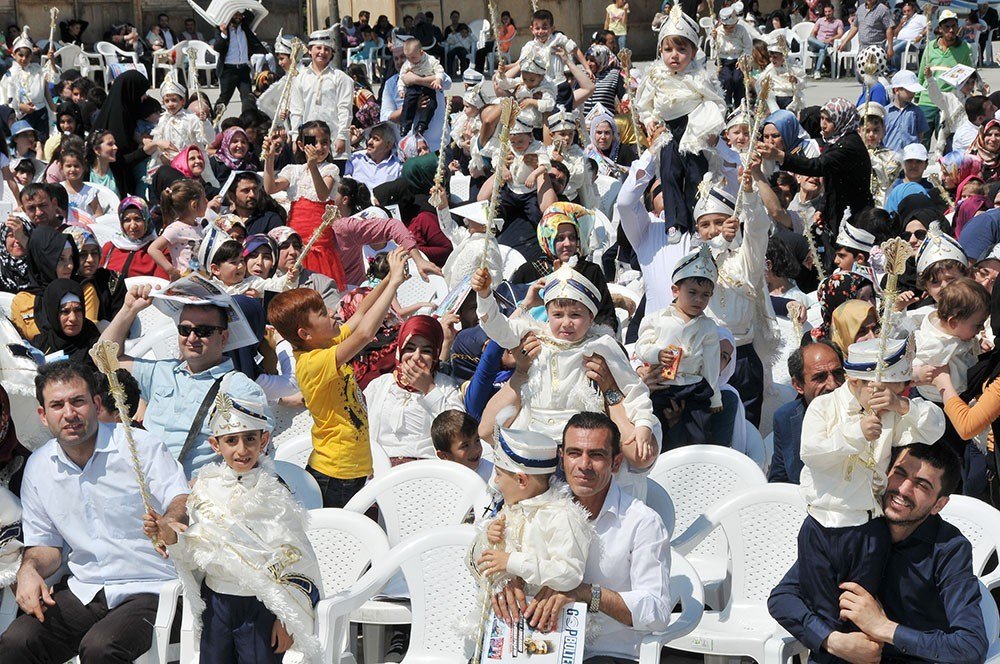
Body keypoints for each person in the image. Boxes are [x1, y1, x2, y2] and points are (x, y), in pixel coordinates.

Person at [0, 361, 189, 663]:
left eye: (78, 401)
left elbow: (180, 499)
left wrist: (169, 520)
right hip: (87, 589)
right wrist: (29, 570)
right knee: (15, 643)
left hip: (153, 587)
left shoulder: (139, 446)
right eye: (57, 405)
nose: (69, 413)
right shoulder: (38, 467)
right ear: (43, 416)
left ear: (96, 403)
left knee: (101, 648)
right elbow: (46, 546)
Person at [774, 336, 946, 663]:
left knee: (863, 615)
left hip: (868, 529)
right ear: (857, 382)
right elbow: (811, 452)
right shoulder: (825, 407)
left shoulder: (892, 412)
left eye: (898, 388)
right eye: (890, 388)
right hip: (825, 529)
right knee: (825, 616)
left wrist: (903, 406)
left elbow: (935, 429)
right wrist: (855, 433)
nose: (894, 394)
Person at [769, 443, 988, 663]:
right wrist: (831, 640)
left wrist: (883, 627)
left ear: (938, 504)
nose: (903, 489)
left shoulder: (950, 548)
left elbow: (970, 646)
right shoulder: (848, 523)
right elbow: (782, 597)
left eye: (921, 485)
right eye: (899, 473)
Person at [150, 389, 323, 660]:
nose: (242, 450)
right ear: (215, 445)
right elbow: (196, 552)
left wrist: (287, 618)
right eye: (231, 440)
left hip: (260, 606)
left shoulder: (273, 491)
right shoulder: (204, 488)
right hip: (216, 604)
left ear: (263, 440)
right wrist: (169, 537)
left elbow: (295, 558)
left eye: (250, 439)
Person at [491, 412, 673, 663]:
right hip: (534, 647)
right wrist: (506, 579)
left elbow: (658, 610)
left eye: (596, 455)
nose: (584, 465)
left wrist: (586, 593)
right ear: (561, 457)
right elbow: (482, 548)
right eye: (575, 453)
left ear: (616, 462)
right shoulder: (535, 504)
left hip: (609, 653)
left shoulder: (642, 522)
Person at [266, 248, 409, 508]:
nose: (332, 312)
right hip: (334, 475)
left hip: (349, 470)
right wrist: (396, 281)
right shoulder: (312, 362)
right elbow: (365, 334)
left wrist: (387, 279)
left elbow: (362, 313)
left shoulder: (324, 344)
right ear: (305, 333)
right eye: (322, 312)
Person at [472, 262, 659, 456]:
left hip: (584, 442)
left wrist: (643, 423)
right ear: (547, 314)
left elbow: (633, 388)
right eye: (558, 315)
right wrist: (485, 296)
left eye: (576, 315)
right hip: (535, 440)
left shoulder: (601, 346)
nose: (566, 323)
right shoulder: (534, 336)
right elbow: (498, 329)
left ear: (591, 317)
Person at [98, 282, 272, 477]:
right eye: (185, 330)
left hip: (196, 496)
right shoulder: (161, 371)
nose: (192, 338)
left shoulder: (240, 389)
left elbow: (256, 458)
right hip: (144, 485)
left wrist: (208, 485)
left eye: (203, 331)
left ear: (223, 338)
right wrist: (129, 310)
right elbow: (104, 359)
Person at [474, 425, 592, 597]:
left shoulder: (561, 515)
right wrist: (488, 537)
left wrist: (511, 562)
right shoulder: (508, 509)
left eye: (499, 474)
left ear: (521, 480)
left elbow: (570, 573)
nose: (496, 482)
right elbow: (476, 562)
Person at [635, 245, 722, 446]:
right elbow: (641, 347)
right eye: (692, 292)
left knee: (699, 436)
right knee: (655, 433)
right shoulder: (656, 319)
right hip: (662, 385)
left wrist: (715, 397)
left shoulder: (708, 328)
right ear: (675, 289)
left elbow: (710, 364)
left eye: (705, 295)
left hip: (693, 386)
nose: (699, 299)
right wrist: (657, 354)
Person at [758, 98, 873, 250]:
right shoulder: (837, 140)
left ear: (842, 120)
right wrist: (822, 209)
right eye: (822, 118)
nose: (823, 124)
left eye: (829, 120)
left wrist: (780, 156)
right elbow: (832, 181)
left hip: (854, 215)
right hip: (836, 210)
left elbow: (817, 166)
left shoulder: (848, 146)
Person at [364, 314, 463, 463]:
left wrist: (429, 389)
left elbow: (459, 432)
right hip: (380, 469)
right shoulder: (380, 385)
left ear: (435, 355)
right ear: (400, 351)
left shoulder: (445, 386)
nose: (416, 357)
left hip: (425, 470)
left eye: (426, 351)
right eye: (410, 348)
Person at [769, 341, 845, 484]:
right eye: (820, 377)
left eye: (838, 373)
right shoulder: (785, 417)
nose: (833, 385)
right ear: (798, 385)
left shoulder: (863, 414)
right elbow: (779, 480)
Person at [913, 277, 990, 403]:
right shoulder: (933, 345)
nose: (981, 328)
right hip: (936, 400)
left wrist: (980, 343)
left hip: (963, 390)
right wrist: (918, 373)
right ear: (953, 322)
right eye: (977, 325)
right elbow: (906, 369)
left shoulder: (960, 331)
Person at [288, 29, 354, 156]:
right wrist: (295, 136)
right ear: (310, 50)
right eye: (318, 48)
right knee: (310, 172)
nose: (322, 52)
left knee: (334, 174)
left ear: (331, 54)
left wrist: (342, 136)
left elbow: (345, 109)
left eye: (327, 49)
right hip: (309, 139)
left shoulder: (341, 78)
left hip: (334, 137)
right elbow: (296, 111)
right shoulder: (300, 78)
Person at [915, 10, 973, 132]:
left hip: (949, 102)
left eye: (954, 26)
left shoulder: (965, 48)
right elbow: (921, 74)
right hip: (927, 101)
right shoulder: (930, 46)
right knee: (922, 141)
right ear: (940, 28)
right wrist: (917, 96)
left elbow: (969, 76)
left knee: (945, 145)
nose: (951, 30)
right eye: (947, 26)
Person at [213, 9, 265, 117]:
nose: (238, 17)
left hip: (243, 69)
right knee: (224, 99)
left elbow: (250, 15)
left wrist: (241, 6)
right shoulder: (221, 29)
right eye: (235, 14)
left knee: (248, 98)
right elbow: (218, 48)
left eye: (239, 14)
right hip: (228, 70)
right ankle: (213, 120)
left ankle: (248, 123)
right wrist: (224, 34)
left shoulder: (244, 26)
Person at [397, 37, 444, 136]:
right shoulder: (408, 64)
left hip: (428, 88)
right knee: (408, 104)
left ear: (421, 52)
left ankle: (422, 125)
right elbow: (402, 77)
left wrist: (438, 79)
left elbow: (439, 70)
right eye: (408, 58)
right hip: (413, 88)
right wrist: (401, 89)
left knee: (431, 104)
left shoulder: (430, 60)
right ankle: (405, 125)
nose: (411, 60)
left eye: (413, 57)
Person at [431, 409, 493, 482]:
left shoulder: (493, 472)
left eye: (477, 440)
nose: (476, 449)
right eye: (465, 446)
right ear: (444, 455)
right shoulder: (441, 483)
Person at [344, 122, 402, 189]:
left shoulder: (397, 167)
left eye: (376, 139)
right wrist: (348, 142)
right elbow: (340, 173)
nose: (369, 142)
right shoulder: (356, 158)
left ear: (388, 145)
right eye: (370, 137)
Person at [890, 1, 928, 72]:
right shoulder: (904, 21)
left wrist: (920, 35)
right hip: (900, 41)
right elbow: (895, 34)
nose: (906, 13)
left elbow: (928, 27)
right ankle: (889, 68)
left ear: (913, 10)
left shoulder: (920, 17)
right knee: (888, 45)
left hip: (911, 43)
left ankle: (896, 70)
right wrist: (901, 24)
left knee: (894, 49)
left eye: (908, 11)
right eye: (904, 11)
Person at [809, 3, 843, 79]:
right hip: (817, 43)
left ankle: (817, 72)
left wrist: (831, 39)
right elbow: (813, 32)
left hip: (829, 43)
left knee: (822, 51)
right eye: (826, 12)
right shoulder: (820, 20)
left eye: (829, 11)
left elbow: (840, 34)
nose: (827, 14)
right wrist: (815, 41)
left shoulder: (838, 22)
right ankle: (826, 47)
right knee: (809, 39)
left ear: (833, 11)